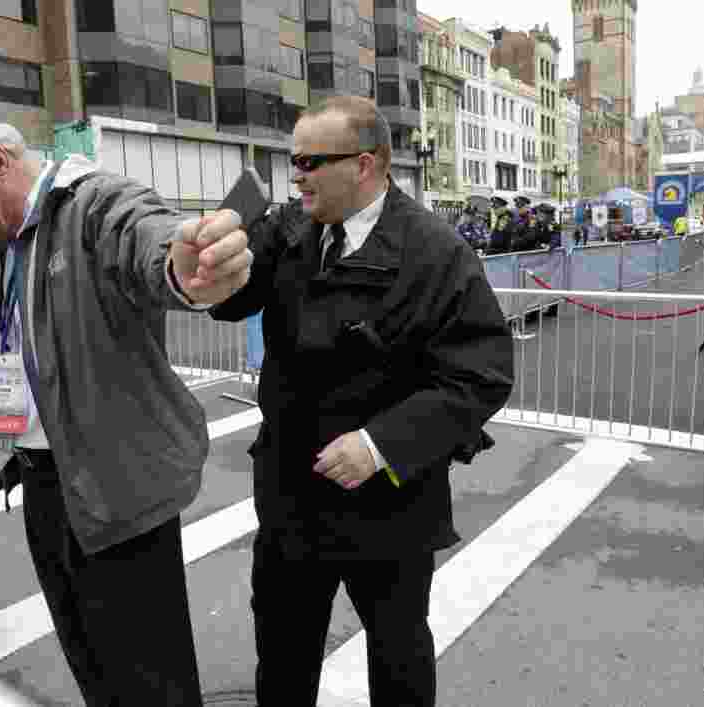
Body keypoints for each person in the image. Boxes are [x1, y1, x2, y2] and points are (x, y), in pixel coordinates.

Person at [0, 99, 252, 706]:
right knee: (90, 663)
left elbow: (147, 238)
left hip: (119, 486)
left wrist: (183, 268)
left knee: (151, 684)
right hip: (43, 485)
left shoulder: (92, 206)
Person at [207, 95, 514, 706]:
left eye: (310, 162)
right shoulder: (290, 229)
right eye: (292, 162)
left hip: (389, 506)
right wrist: (211, 261)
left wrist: (379, 445)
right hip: (291, 493)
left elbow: (481, 372)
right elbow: (233, 297)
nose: (296, 175)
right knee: (284, 652)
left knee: (398, 656)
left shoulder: (435, 251)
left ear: (367, 165)